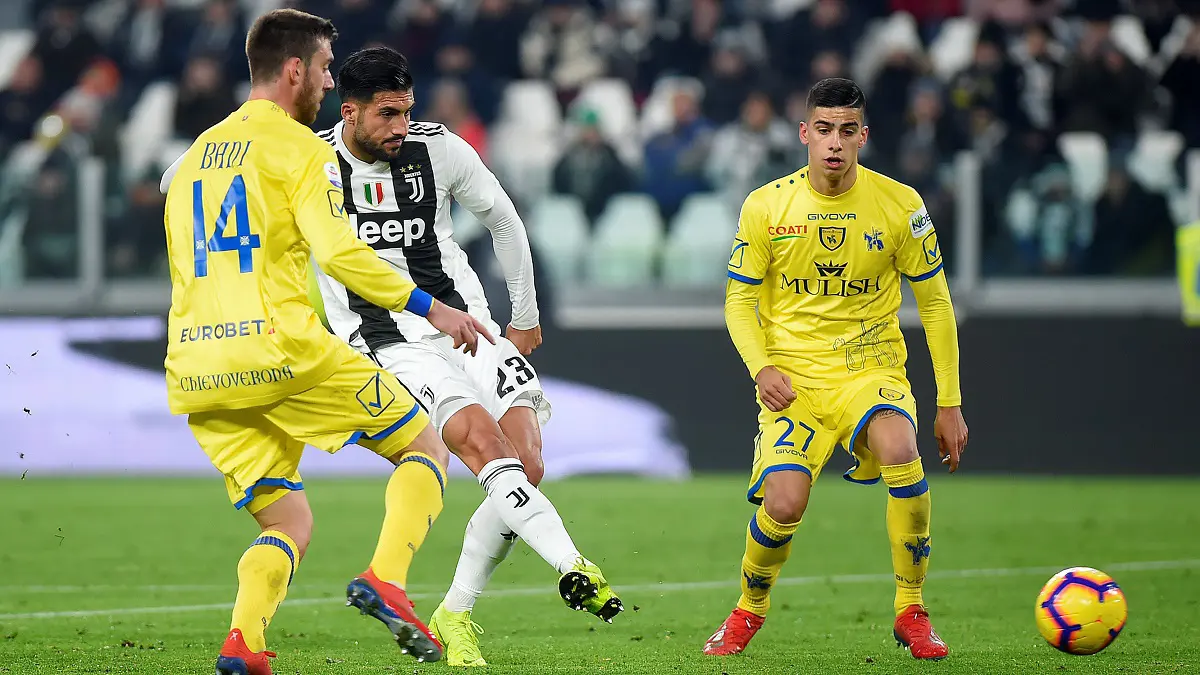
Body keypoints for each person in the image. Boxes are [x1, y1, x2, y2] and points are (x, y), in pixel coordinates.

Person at [161, 10, 492, 673]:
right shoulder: (303, 149)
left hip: (197, 369)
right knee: (422, 444)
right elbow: (341, 252)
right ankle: (386, 579)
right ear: (294, 70)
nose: (326, 82)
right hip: (280, 351)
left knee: (287, 524)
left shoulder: (192, 157)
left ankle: (244, 644)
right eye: (321, 69)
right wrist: (432, 306)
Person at [311, 46, 623, 667]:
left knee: (526, 463)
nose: (401, 127)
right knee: (480, 446)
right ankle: (573, 564)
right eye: (386, 115)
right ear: (350, 112)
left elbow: (505, 222)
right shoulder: (311, 162)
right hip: (389, 342)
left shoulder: (441, 149)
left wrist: (525, 317)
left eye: (406, 112)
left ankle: (454, 612)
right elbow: (205, 168)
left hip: (469, 325)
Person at [704, 78, 969, 660]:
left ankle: (911, 609)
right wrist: (761, 367)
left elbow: (936, 305)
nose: (834, 143)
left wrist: (948, 401)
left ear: (863, 137)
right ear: (804, 133)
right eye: (823, 129)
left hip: (868, 369)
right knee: (784, 505)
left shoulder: (901, 206)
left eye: (847, 131)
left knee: (900, 448)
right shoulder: (767, 206)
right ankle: (748, 609)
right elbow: (738, 303)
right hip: (794, 381)